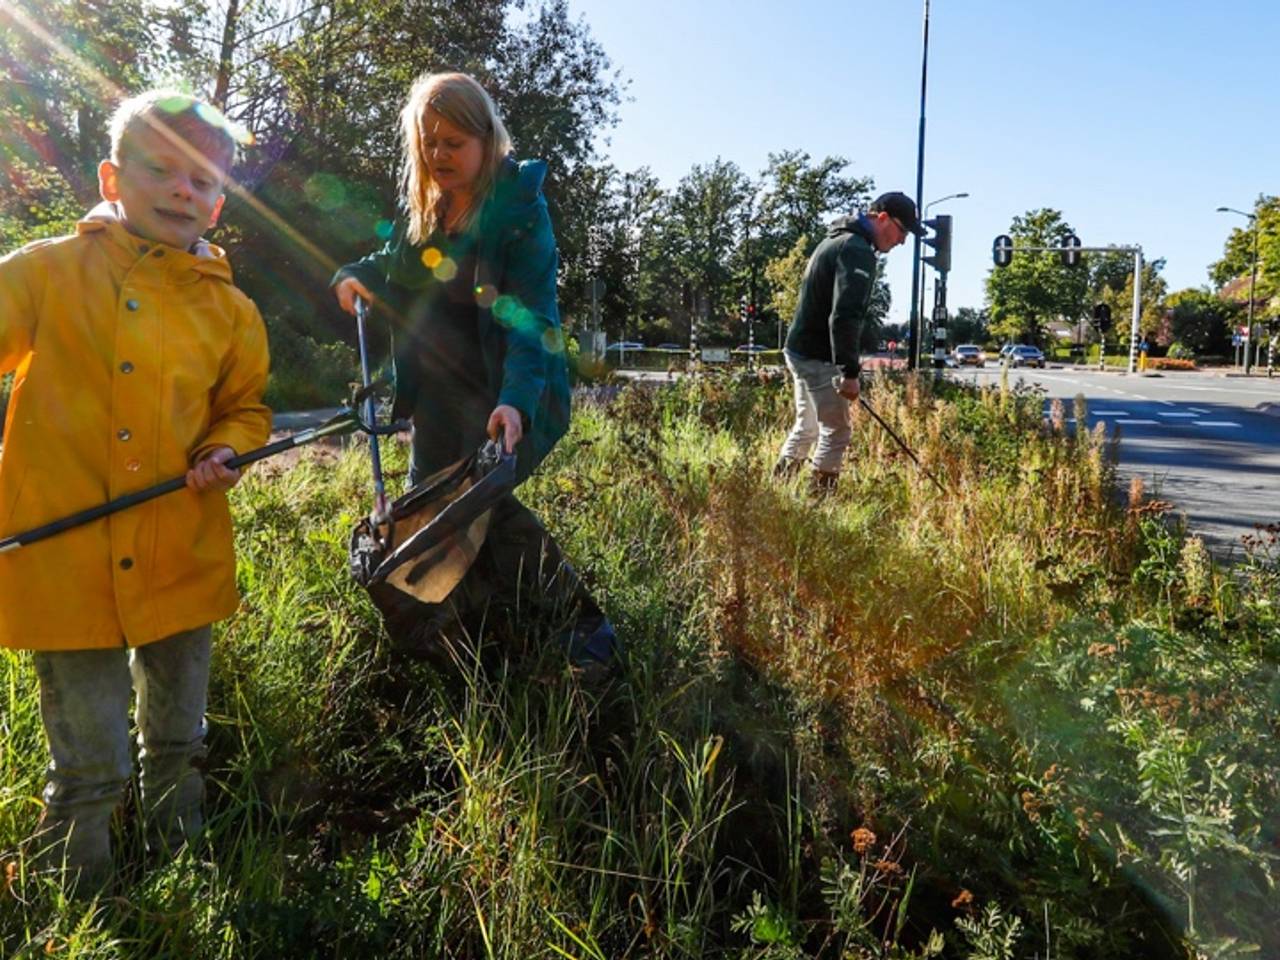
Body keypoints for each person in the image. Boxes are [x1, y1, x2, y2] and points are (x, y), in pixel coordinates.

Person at [0, 91, 270, 892]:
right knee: (89, 762)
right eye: (162, 170)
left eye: (203, 181)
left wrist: (226, 446)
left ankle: (181, 870)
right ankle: (76, 901)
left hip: (180, 554)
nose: (183, 190)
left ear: (219, 203)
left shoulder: (232, 310)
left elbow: (246, 408)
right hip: (66, 562)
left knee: (178, 742)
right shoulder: (46, 272)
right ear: (112, 178)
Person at [331, 71, 616, 671]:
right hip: (436, 392)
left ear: (487, 140)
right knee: (428, 509)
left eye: (454, 143)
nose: (439, 154)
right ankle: (461, 640)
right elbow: (391, 260)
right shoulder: (427, 205)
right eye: (429, 142)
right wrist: (355, 275)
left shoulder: (520, 212)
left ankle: (582, 633)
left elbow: (532, 320)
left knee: (480, 505)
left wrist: (515, 402)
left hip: (503, 387)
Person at [773, 191, 922, 493]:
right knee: (836, 431)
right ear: (882, 218)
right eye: (902, 230)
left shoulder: (836, 239)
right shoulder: (856, 251)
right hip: (819, 355)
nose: (903, 240)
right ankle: (818, 505)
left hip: (800, 348)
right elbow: (845, 315)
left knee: (807, 426)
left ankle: (776, 492)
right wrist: (849, 372)